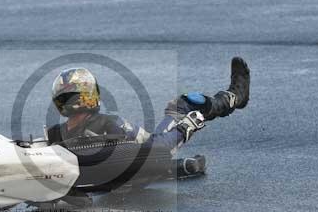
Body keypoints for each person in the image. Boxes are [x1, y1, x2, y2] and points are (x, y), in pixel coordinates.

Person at [46, 57, 250, 154]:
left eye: (75, 96)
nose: (77, 102)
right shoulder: (56, 133)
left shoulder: (108, 123)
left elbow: (155, 149)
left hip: (151, 148)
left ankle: (235, 96)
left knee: (186, 103)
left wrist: (184, 127)